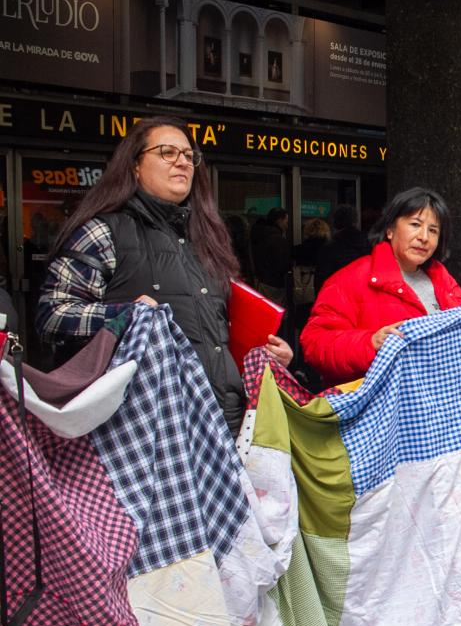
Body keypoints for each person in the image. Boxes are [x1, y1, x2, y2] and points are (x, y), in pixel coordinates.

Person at [36, 116, 293, 434]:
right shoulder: (104, 232)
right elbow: (53, 316)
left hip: (224, 421)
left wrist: (266, 354)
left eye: (189, 156)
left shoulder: (207, 240)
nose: (183, 163)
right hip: (149, 429)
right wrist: (128, 315)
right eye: (167, 152)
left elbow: (216, 336)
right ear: (134, 166)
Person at [302, 187, 461, 387]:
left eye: (433, 230)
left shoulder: (443, 281)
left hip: (438, 407)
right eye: (415, 224)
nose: (424, 237)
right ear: (390, 229)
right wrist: (370, 342)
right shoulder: (350, 280)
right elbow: (315, 345)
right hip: (379, 410)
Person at [315, 203, 370, 291]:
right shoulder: (369, 244)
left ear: (335, 222)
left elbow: (322, 280)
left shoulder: (329, 248)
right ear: (355, 221)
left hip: (340, 296)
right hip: (364, 296)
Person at [250, 207, 292, 303]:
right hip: (274, 285)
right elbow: (282, 265)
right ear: (279, 221)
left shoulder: (257, 236)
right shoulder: (278, 240)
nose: (287, 226)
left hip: (260, 282)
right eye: (286, 222)